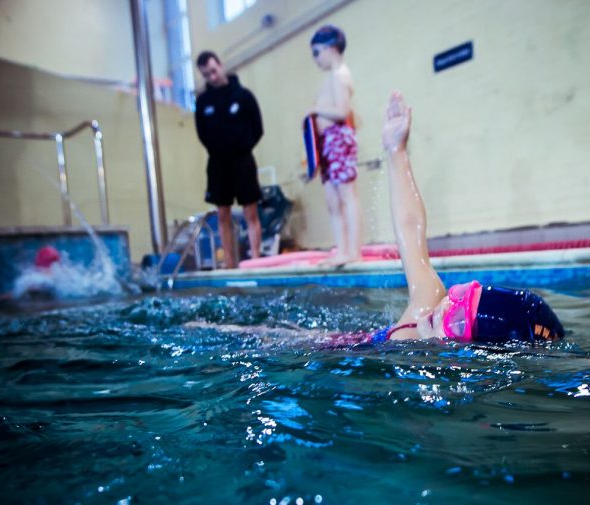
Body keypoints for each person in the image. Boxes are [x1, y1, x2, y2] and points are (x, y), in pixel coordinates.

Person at [188, 93, 565, 348]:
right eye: (456, 296)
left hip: (344, 357)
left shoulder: (437, 361)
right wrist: (395, 149)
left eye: (455, 317)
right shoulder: (426, 306)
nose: (443, 306)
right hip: (340, 345)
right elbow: (410, 226)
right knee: (262, 335)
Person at [195, 50, 263, 268]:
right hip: (218, 164)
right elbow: (202, 133)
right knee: (222, 214)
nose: (212, 77)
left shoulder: (243, 96)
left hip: (242, 160)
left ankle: (255, 259)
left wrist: (241, 147)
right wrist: (219, 150)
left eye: (214, 71)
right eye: (206, 75)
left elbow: (258, 128)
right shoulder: (203, 102)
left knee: (250, 212)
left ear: (221, 66)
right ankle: (230, 262)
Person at [308, 25, 362, 266]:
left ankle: (353, 252)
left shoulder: (340, 74)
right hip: (329, 142)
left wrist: (315, 109)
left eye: (317, 52)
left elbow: (341, 111)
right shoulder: (333, 75)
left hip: (338, 138)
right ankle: (342, 249)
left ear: (331, 47)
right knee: (332, 199)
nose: (316, 59)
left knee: (346, 194)